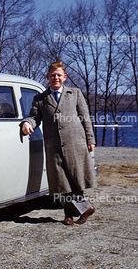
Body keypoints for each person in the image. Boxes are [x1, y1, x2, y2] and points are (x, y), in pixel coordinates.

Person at [21, 61, 97, 225]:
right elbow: (35, 117)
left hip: (75, 144)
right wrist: (27, 123)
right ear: (48, 77)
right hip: (53, 146)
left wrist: (90, 139)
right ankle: (83, 209)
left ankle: (72, 214)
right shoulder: (40, 98)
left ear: (64, 77)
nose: (56, 78)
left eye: (59, 75)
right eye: (52, 75)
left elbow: (85, 118)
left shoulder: (75, 93)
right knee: (60, 181)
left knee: (76, 180)